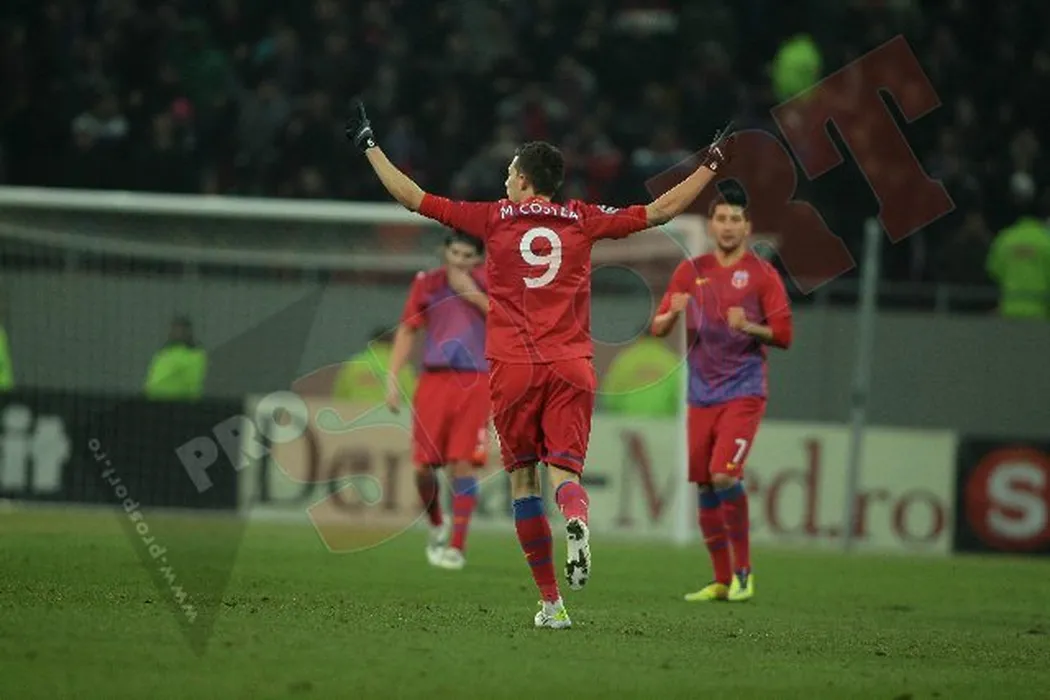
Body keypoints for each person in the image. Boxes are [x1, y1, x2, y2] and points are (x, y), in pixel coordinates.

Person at [347, 99, 732, 628]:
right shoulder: (583, 218)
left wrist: (370, 145)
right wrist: (710, 164)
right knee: (565, 472)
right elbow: (661, 211)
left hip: (513, 368)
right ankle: (576, 515)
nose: (505, 180)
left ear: (526, 181)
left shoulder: (491, 218)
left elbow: (412, 197)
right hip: (571, 364)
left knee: (524, 481)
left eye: (510, 173)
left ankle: (552, 604)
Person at [650, 190, 793, 603]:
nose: (728, 226)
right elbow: (658, 328)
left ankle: (744, 573)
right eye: (722, 219)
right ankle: (720, 579)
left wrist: (750, 327)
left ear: (747, 227)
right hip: (700, 394)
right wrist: (672, 312)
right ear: (711, 225)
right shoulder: (691, 270)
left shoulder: (762, 275)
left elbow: (784, 335)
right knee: (705, 485)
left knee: (724, 474)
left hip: (743, 390)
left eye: (735, 219)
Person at [385, 230, 490, 571]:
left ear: (479, 259)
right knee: (421, 467)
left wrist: (470, 293)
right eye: (455, 253)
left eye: (467, 256)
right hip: (433, 380)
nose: (460, 260)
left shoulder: (492, 282)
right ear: (445, 252)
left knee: (462, 463)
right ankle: (436, 522)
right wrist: (392, 376)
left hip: (476, 381)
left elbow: (511, 321)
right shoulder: (427, 283)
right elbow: (407, 329)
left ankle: (457, 547)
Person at [332, 327, 417, 405]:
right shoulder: (401, 366)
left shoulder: (354, 364)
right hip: (390, 415)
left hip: (357, 414)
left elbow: (339, 397)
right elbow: (412, 399)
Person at [144, 316, 208, 400]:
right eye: (175, 330)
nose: (177, 333)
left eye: (181, 330)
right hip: (154, 401)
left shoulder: (195, 356)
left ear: (188, 333)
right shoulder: (164, 353)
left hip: (176, 402)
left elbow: (193, 383)